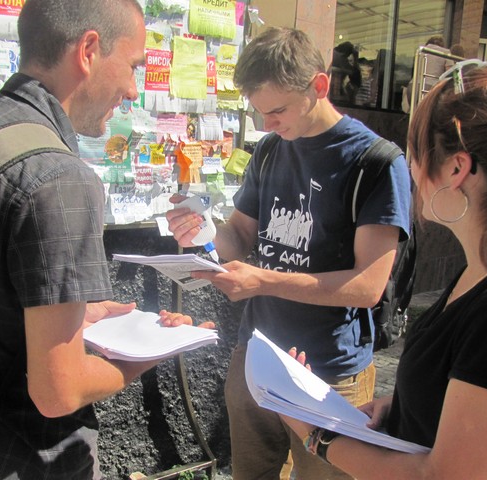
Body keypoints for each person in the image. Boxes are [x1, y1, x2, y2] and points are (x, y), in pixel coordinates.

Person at [0, 1, 212, 478]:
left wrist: (73, 315)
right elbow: (59, 392)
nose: (133, 91)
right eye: (133, 66)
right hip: (16, 455)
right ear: (88, 50)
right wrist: (152, 353)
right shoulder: (60, 178)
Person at [166, 27, 411, 479]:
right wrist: (203, 230)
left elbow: (367, 287)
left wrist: (262, 280)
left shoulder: (376, 162)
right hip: (257, 354)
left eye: (277, 111)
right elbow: (240, 235)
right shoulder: (269, 151)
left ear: (319, 86)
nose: (267, 125)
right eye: (259, 113)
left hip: (330, 371)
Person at [282, 57, 487, 478]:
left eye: (416, 152)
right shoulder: (478, 272)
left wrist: (317, 435)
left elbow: (443, 476)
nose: (410, 168)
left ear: (457, 168)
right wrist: (400, 406)